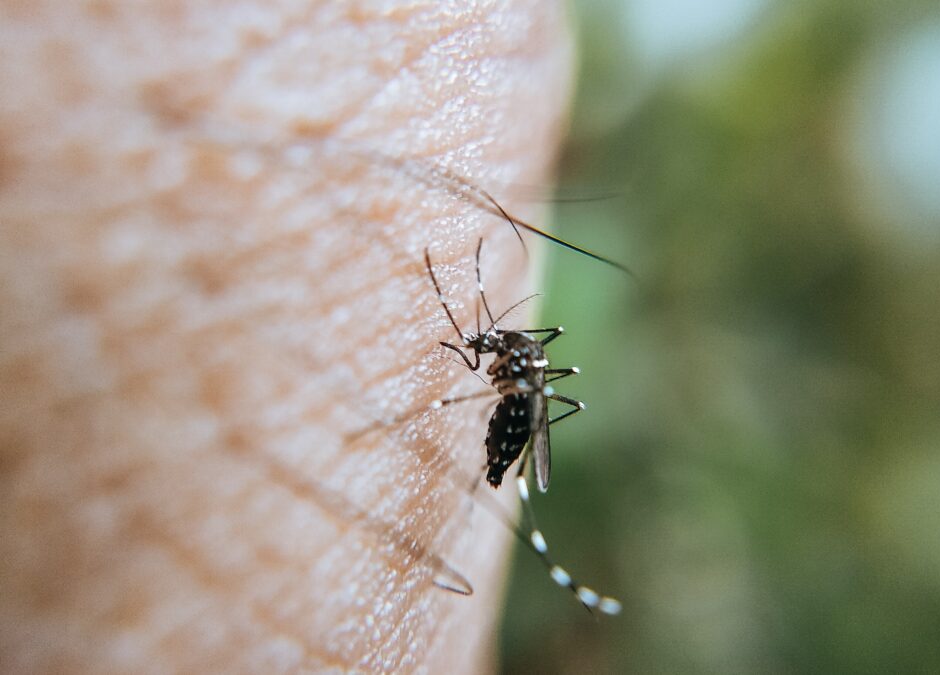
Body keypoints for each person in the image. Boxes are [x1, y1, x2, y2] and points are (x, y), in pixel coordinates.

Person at [0, 2, 572, 671]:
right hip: (517, 401)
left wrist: (456, 390)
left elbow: (508, 380)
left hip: (515, 411)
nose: (485, 348)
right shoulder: (515, 358)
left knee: (490, 405)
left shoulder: (513, 377)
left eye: (491, 349)